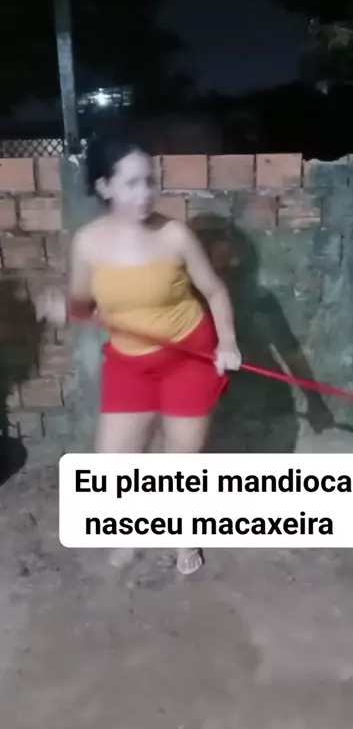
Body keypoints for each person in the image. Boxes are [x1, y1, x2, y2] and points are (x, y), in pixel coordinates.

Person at [36, 132, 241, 576]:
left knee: (182, 464)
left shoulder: (174, 235)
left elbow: (215, 291)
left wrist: (227, 342)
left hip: (189, 357)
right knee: (113, 464)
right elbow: (82, 306)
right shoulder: (88, 243)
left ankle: (185, 533)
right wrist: (63, 309)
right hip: (129, 363)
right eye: (131, 183)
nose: (145, 192)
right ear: (104, 186)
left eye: (149, 180)